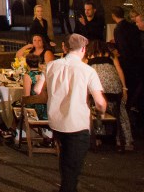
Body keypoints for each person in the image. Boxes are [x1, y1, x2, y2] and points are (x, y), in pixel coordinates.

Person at [46, 33, 107, 192]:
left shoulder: (51, 65)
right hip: (76, 123)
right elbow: (100, 102)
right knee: (73, 166)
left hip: (57, 121)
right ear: (84, 49)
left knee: (66, 158)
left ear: (65, 48)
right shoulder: (87, 70)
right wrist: (101, 113)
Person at [86, 40, 133, 151]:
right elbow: (119, 70)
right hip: (114, 88)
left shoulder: (88, 57)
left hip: (97, 89)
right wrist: (124, 88)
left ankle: (97, 137)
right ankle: (124, 140)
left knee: (94, 109)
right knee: (120, 111)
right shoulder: (111, 56)